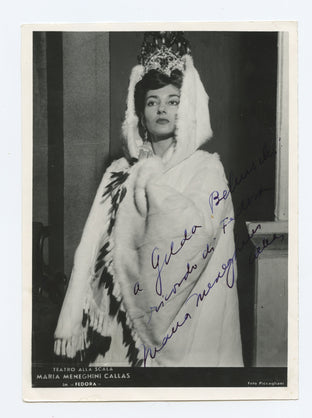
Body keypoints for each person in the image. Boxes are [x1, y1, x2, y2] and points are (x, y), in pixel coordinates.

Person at [54, 32, 243, 367]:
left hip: (190, 318)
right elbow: (91, 246)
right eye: (153, 101)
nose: (162, 110)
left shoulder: (206, 169)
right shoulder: (120, 171)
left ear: (185, 108)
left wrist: (151, 179)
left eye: (172, 101)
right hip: (121, 321)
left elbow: (199, 236)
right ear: (139, 112)